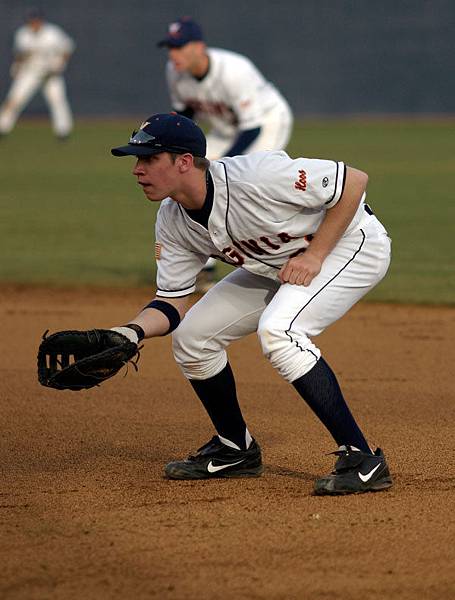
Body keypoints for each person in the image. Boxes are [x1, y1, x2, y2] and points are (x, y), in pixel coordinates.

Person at [109, 112, 393, 496]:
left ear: (184, 161)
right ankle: (235, 449)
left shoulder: (256, 176)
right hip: (279, 265)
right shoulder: (172, 219)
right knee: (193, 337)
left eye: (148, 159)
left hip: (350, 244)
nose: (137, 170)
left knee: (280, 331)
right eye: (137, 160)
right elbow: (172, 302)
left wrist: (316, 256)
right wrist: (130, 332)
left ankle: (363, 458)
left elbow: (353, 182)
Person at [157, 17, 294, 292]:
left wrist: (218, 167)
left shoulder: (234, 70)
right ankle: (202, 269)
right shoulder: (174, 71)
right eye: (171, 47)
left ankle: (280, 255)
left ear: (199, 47)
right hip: (225, 130)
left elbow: (252, 128)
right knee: (187, 180)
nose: (174, 55)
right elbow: (186, 115)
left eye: (180, 47)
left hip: (266, 123)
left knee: (244, 184)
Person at [0, 9, 75, 139]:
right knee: (14, 100)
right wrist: (17, 66)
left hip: (50, 73)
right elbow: (20, 54)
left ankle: (63, 132)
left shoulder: (52, 32)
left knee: (57, 101)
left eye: (36, 21)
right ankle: (2, 128)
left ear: (41, 21)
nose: (34, 24)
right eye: (32, 21)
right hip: (30, 72)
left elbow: (67, 47)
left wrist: (61, 63)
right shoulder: (23, 34)